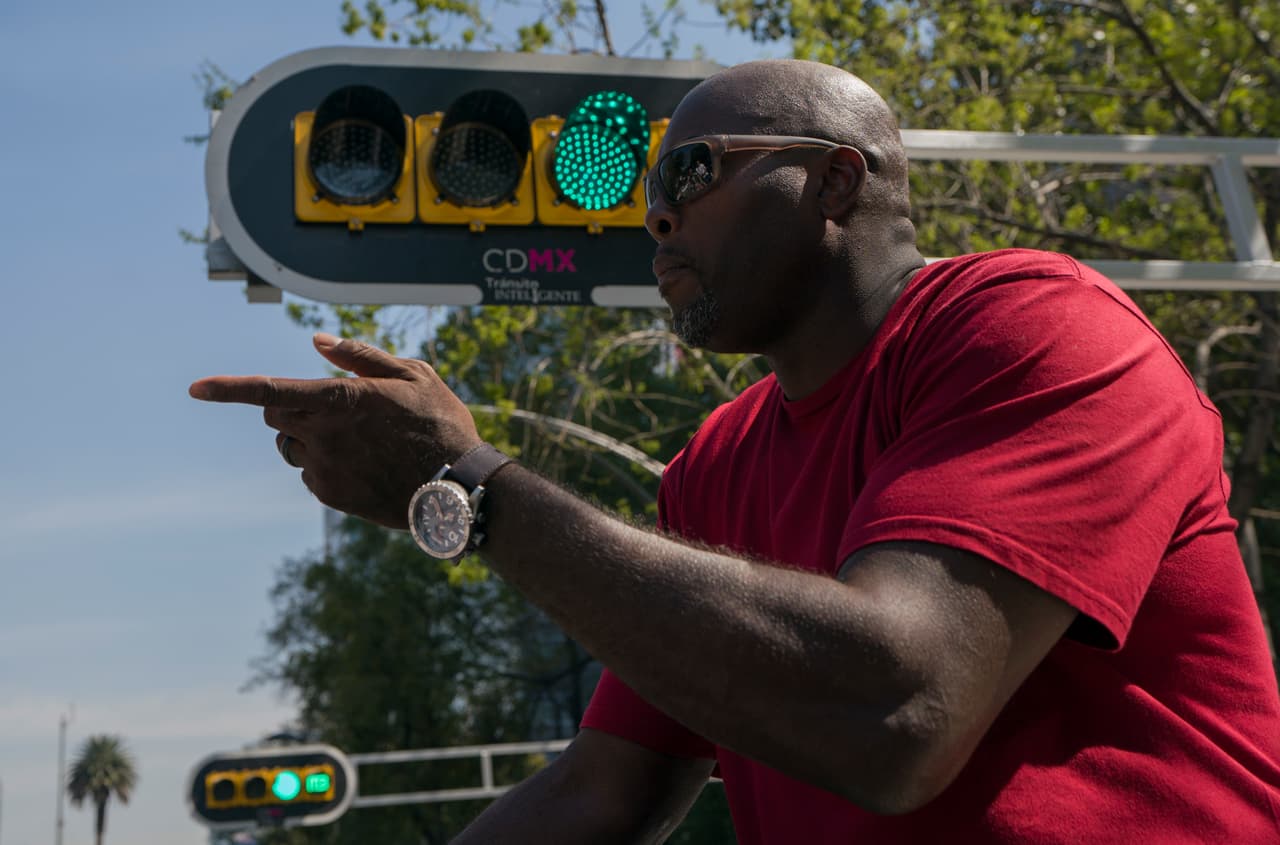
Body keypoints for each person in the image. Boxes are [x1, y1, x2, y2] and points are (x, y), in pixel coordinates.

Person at [191, 59, 1280, 843]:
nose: (654, 220)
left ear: (835, 183)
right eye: (646, 194)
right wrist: (467, 493)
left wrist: (471, 488)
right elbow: (600, 793)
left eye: (692, 173)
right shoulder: (716, 461)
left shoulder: (1031, 323)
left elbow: (894, 714)